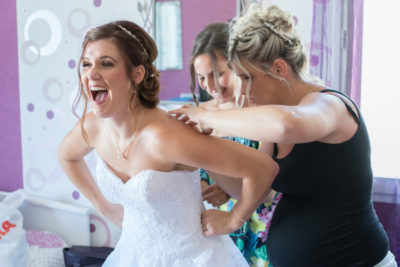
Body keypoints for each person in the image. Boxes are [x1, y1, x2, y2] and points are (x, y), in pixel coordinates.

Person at [169, 4, 396, 267]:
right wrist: (201, 141)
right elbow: (249, 187)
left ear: (278, 68)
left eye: (247, 77)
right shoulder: (275, 119)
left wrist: (204, 115)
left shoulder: (330, 105)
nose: (243, 90)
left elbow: (287, 126)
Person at [57, 20, 279, 266]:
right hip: (132, 255)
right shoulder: (92, 128)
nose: (91, 73)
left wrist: (233, 219)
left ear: (137, 74)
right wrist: (104, 207)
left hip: (193, 257)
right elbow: (67, 156)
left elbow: (263, 169)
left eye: (106, 63)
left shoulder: (165, 135)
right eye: (86, 64)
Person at [191, 22, 281, 266]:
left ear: (238, 64)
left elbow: (263, 178)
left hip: (262, 222)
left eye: (218, 73)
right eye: (201, 77)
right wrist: (205, 185)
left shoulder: (262, 109)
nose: (210, 86)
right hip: (220, 225)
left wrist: (227, 185)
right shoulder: (201, 113)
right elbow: (196, 167)